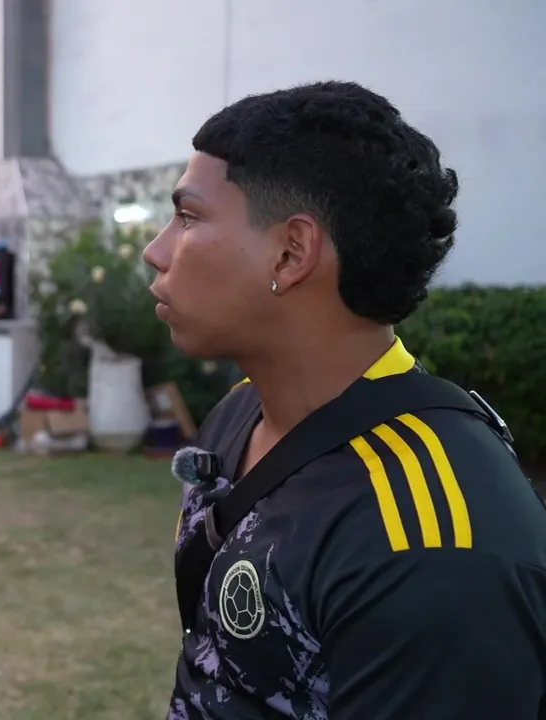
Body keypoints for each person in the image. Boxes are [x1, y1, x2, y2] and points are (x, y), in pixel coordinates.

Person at [144, 82, 546, 718]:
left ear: (291, 252)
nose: (156, 251)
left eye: (189, 217)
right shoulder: (241, 411)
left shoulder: (431, 547)